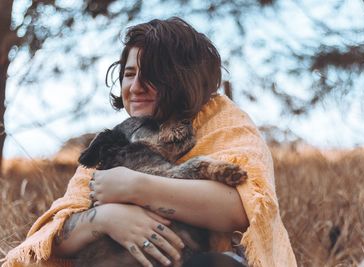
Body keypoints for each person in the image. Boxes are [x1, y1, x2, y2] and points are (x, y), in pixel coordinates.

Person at [2, 17, 296, 267]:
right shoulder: (118, 139)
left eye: (152, 76)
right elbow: (56, 239)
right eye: (129, 74)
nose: (136, 86)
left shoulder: (225, 124)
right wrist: (106, 217)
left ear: (183, 78)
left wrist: (134, 187)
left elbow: (244, 208)